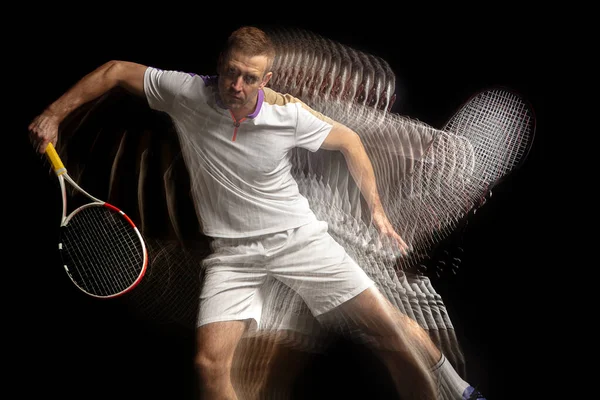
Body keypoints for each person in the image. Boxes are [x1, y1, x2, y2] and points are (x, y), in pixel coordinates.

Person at [28, 25, 486, 400]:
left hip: (300, 240)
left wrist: (377, 210)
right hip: (233, 256)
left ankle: (457, 392)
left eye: (249, 77)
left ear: (265, 81)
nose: (237, 86)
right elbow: (114, 70)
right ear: (219, 68)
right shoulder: (187, 94)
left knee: (390, 335)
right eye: (231, 73)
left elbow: (349, 141)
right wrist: (54, 113)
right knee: (209, 365)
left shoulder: (289, 115)